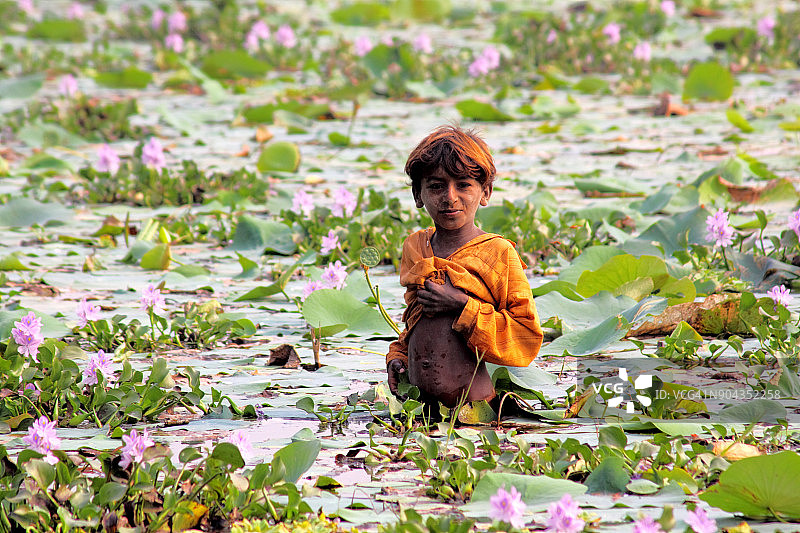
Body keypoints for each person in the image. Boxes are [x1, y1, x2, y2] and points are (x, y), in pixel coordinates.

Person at [385, 125, 543, 408]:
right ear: (418, 195)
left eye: (463, 185)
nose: (450, 197)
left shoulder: (498, 253)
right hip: (419, 407)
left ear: (485, 192)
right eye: (436, 186)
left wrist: (461, 305)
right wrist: (399, 356)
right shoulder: (415, 247)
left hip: (474, 408)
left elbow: (525, 336)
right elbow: (413, 318)